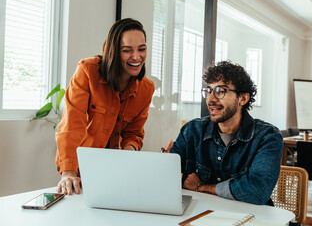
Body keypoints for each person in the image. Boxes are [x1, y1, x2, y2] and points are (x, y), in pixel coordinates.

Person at [55, 18, 155, 195]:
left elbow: (134, 132)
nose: (136, 57)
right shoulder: (87, 71)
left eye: (142, 49)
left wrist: (129, 150)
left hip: (115, 172)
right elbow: (71, 123)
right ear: (114, 51)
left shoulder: (146, 89)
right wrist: (68, 172)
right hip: (79, 169)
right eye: (127, 50)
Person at [164, 61, 283, 205]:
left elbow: (257, 191)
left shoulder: (268, 137)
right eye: (208, 91)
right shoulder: (192, 131)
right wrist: (164, 166)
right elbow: (171, 181)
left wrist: (202, 187)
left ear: (243, 98)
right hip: (200, 214)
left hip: (250, 217)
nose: (211, 99)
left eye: (220, 91)